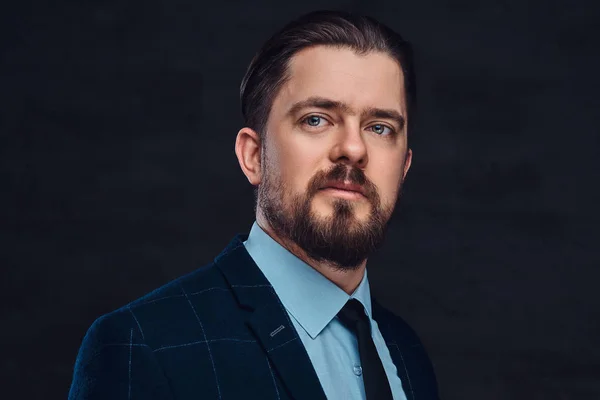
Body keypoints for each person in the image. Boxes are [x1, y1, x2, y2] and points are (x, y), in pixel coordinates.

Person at [68, 9, 439, 400]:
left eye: (380, 128)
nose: (352, 148)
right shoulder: (142, 345)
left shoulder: (407, 352)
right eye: (316, 119)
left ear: (404, 167)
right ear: (253, 156)